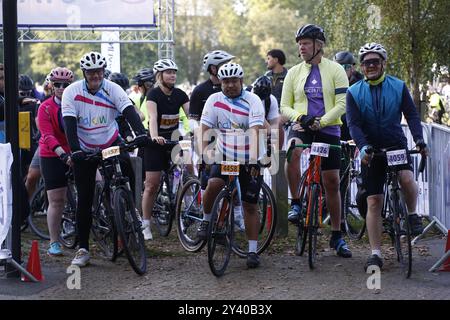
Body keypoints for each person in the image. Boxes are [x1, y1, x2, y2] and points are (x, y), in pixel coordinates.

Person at [346, 42, 428, 270]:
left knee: (406, 179)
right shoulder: (354, 92)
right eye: (366, 63)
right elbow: (353, 124)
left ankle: (412, 214)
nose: (370, 66)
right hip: (370, 149)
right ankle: (375, 254)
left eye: (374, 61)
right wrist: (363, 148)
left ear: (383, 63)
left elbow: (411, 115)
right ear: (361, 67)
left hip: (394, 145)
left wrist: (419, 139)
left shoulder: (398, 86)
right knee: (374, 201)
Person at [62, 51, 147, 267]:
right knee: (85, 197)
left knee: (126, 164)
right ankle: (83, 249)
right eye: (91, 72)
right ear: (84, 73)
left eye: (98, 71)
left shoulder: (113, 89)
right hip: (85, 147)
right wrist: (75, 150)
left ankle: (129, 206)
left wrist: (141, 134)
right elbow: (69, 123)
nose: (95, 76)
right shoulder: (72, 92)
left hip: (110, 142)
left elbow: (129, 112)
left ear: (103, 71)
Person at [280, 24, 352, 258]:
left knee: (331, 181)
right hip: (302, 125)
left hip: (328, 128)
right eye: (299, 43)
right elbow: (284, 106)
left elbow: (342, 104)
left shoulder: (336, 70)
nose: (301, 47)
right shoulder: (293, 72)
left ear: (318, 46)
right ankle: (296, 202)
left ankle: (337, 234)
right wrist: (300, 117)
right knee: (292, 150)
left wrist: (321, 122)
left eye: (306, 43)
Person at [198, 62, 265, 268]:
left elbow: (255, 131)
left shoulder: (253, 100)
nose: (229, 85)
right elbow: (204, 129)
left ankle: (252, 250)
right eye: (225, 81)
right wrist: (203, 155)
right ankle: (207, 220)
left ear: (241, 81)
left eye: (234, 81)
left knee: (250, 205)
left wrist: (253, 160)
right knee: (214, 185)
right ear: (220, 81)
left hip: (249, 155)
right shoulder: (213, 99)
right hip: (224, 153)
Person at [140, 59, 190, 241]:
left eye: (174, 72)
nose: (173, 75)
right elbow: (152, 118)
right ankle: (145, 224)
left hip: (173, 140)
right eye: (168, 72)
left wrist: (195, 132)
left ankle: (191, 209)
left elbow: (190, 115)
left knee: (188, 169)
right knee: (151, 184)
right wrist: (154, 136)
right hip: (156, 142)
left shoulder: (180, 94)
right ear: (159, 76)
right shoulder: (153, 94)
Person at [38, 67, 74, 256]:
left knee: (98, 183)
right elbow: (48, 136)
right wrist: (63, 155)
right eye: (57, 84)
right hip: (52, 154)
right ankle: (54, 241)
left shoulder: (76, 103)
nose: (61, 88)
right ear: (51, 85)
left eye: (65, 85)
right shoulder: (45, 107)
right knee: (57, 200)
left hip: (74, 152)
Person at [333, 51, 363, 141]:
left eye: (345, 67)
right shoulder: (327, 82)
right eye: (337, 68)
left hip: (355, 130)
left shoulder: (361, 84)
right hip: (334, 129)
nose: (341, 71)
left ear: (352, 68)